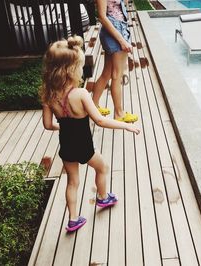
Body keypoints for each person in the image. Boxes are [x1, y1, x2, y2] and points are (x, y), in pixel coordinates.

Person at [39, 35, 140, 232]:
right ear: (71, 70)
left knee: (73, 182)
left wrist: (64, 127)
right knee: (102, 168)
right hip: (84, 146)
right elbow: (100, 120)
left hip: (66, 146)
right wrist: (125, 126)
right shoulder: (81, 94)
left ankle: (73, 219)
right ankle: (103, 198)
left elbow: (48, 125)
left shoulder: (49, 95)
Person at [93, 0, 138, 123]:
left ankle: (93, 106)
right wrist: (122, 40)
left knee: (107, 73)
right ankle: (119, 113)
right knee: (117, 75)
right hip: (115, 31)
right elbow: (102, 17)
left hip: (119, 28)